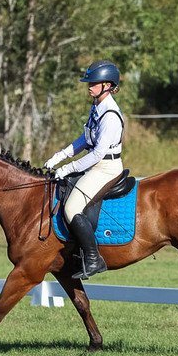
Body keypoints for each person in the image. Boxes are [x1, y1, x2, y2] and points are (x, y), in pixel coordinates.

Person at [45, 60, 124, 279]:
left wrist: (67, 168)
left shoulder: (110, 115)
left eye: (94, 82)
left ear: (107, 85)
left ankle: (93, 258)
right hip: (96, 164)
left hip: (106, 168)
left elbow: (98, 153)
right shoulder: (97, 107)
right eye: (89, 81)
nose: (89, 85)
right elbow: (85, 138)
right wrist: (60, 155)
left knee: (71, 208)